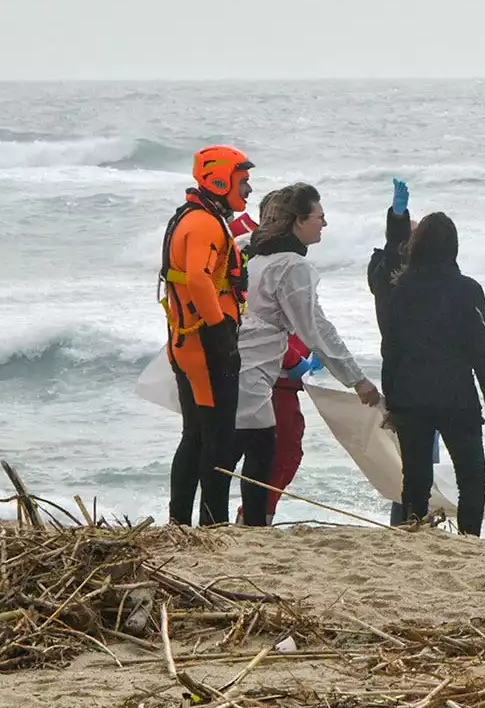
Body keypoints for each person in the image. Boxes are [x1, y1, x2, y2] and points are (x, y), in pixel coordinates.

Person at [234, 183, 381, 526]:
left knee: (232, 450)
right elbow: (316, 328)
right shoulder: (291, 266)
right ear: (298, 221)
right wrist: (357, 380)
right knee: (268, 452)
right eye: (319, 217)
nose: (324, 224)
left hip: (245, 367)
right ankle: (253, 525)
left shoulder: (255, 256)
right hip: (259, 372)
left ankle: (228, 523)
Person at [381, 212, 485, 536]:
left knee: (416, 477)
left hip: (409, 395)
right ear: (454, 248)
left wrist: (390, 398)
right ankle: (469, 538)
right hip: (455, 396)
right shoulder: (467, 290)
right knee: (472, 476)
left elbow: (390, 348)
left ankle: (415, 533)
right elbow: (481, 348)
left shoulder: (401, 290)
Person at [160, 145, 254, 526]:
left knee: (196, 434)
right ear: (220, 179)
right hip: (205, 345)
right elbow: (199, 278)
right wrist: (220, 333)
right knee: (216, 438)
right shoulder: (203, 223)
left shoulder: (195, 217)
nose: (248, 190)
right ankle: (212, 524)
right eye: (243, 181)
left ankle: (181, 522)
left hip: (187, 344)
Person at [228, 200, 322, 525]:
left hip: (275, 371)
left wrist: (309, 351)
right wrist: (295, 358)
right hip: (268, 374)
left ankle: (251, 516)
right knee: (276, 451)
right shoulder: (254, 255)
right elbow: (256, 318)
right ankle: (254, 518)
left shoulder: (267, 256)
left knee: (272, 450)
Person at [367, 178, 436, 524]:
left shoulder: (419, 279)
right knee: (414, 462)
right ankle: (406, 521)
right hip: (407, 378)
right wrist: (398, 220)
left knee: (418, 462)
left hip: (421, 377)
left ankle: (409, 519)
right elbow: (395, 257)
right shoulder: (388, 276)